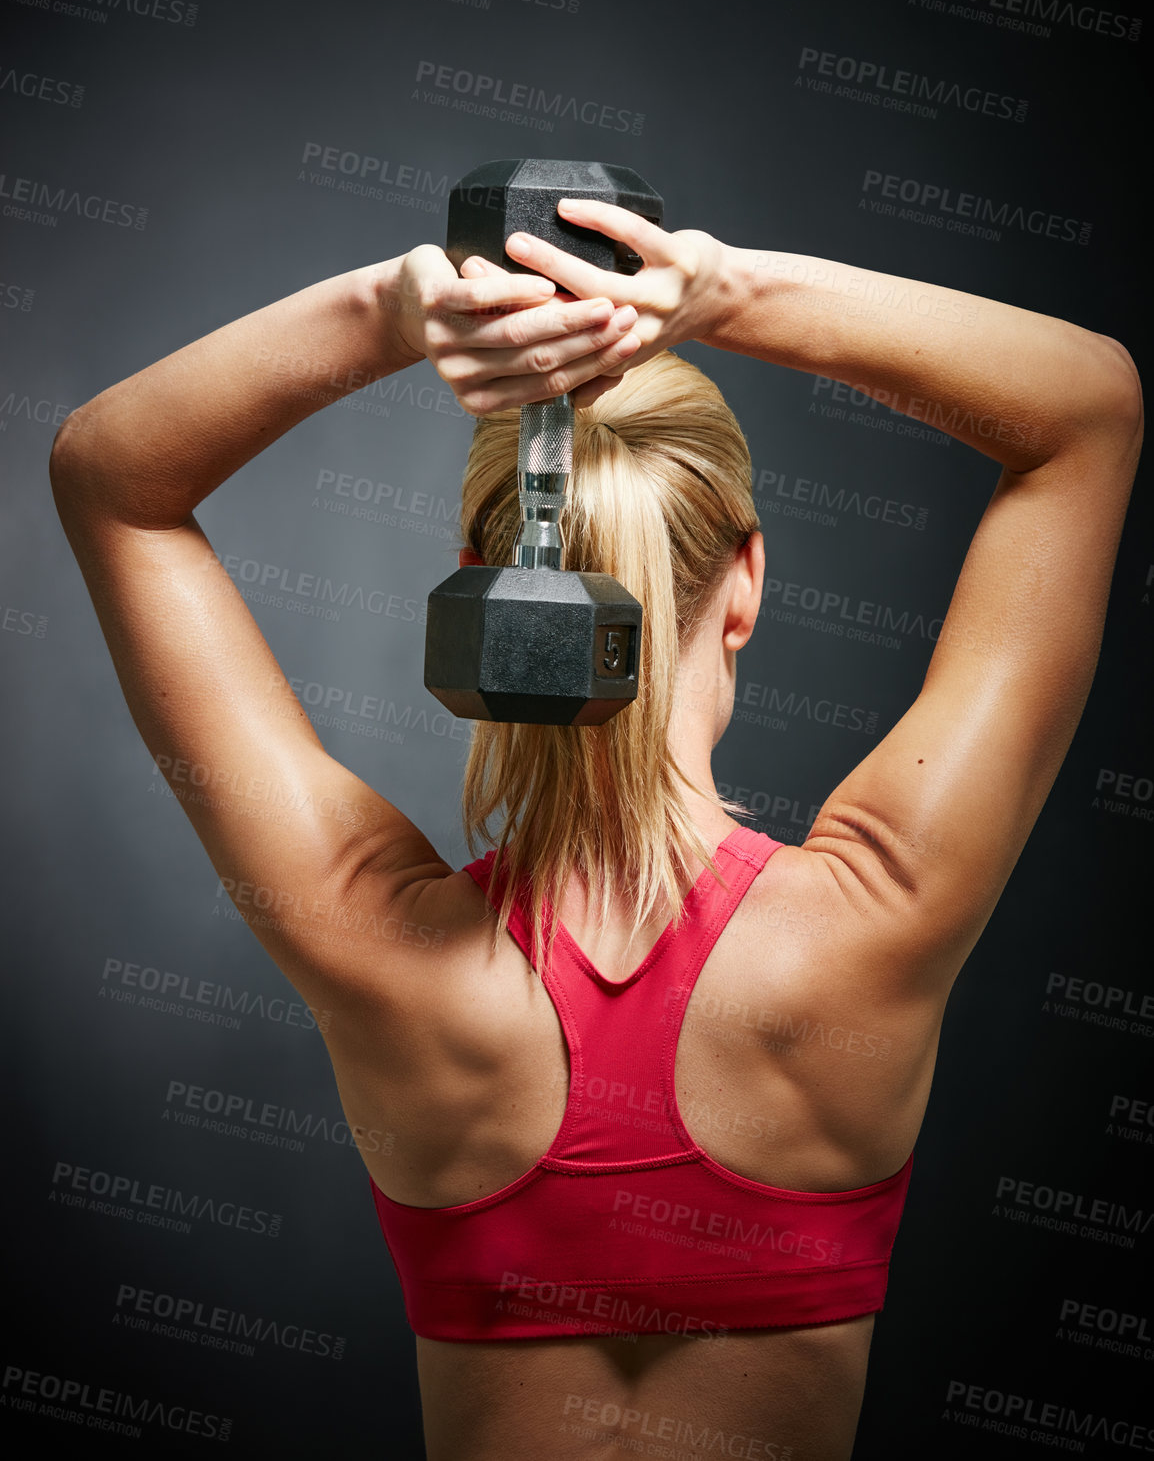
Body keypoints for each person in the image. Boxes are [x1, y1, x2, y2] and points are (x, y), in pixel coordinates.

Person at [49, 198, 1142, 1461]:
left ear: (478, 571)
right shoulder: (877, 914)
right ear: (744, 582)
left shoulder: (379, 945)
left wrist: (396, 313)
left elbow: (108, 475)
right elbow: (1087, 410)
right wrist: (717, 291)